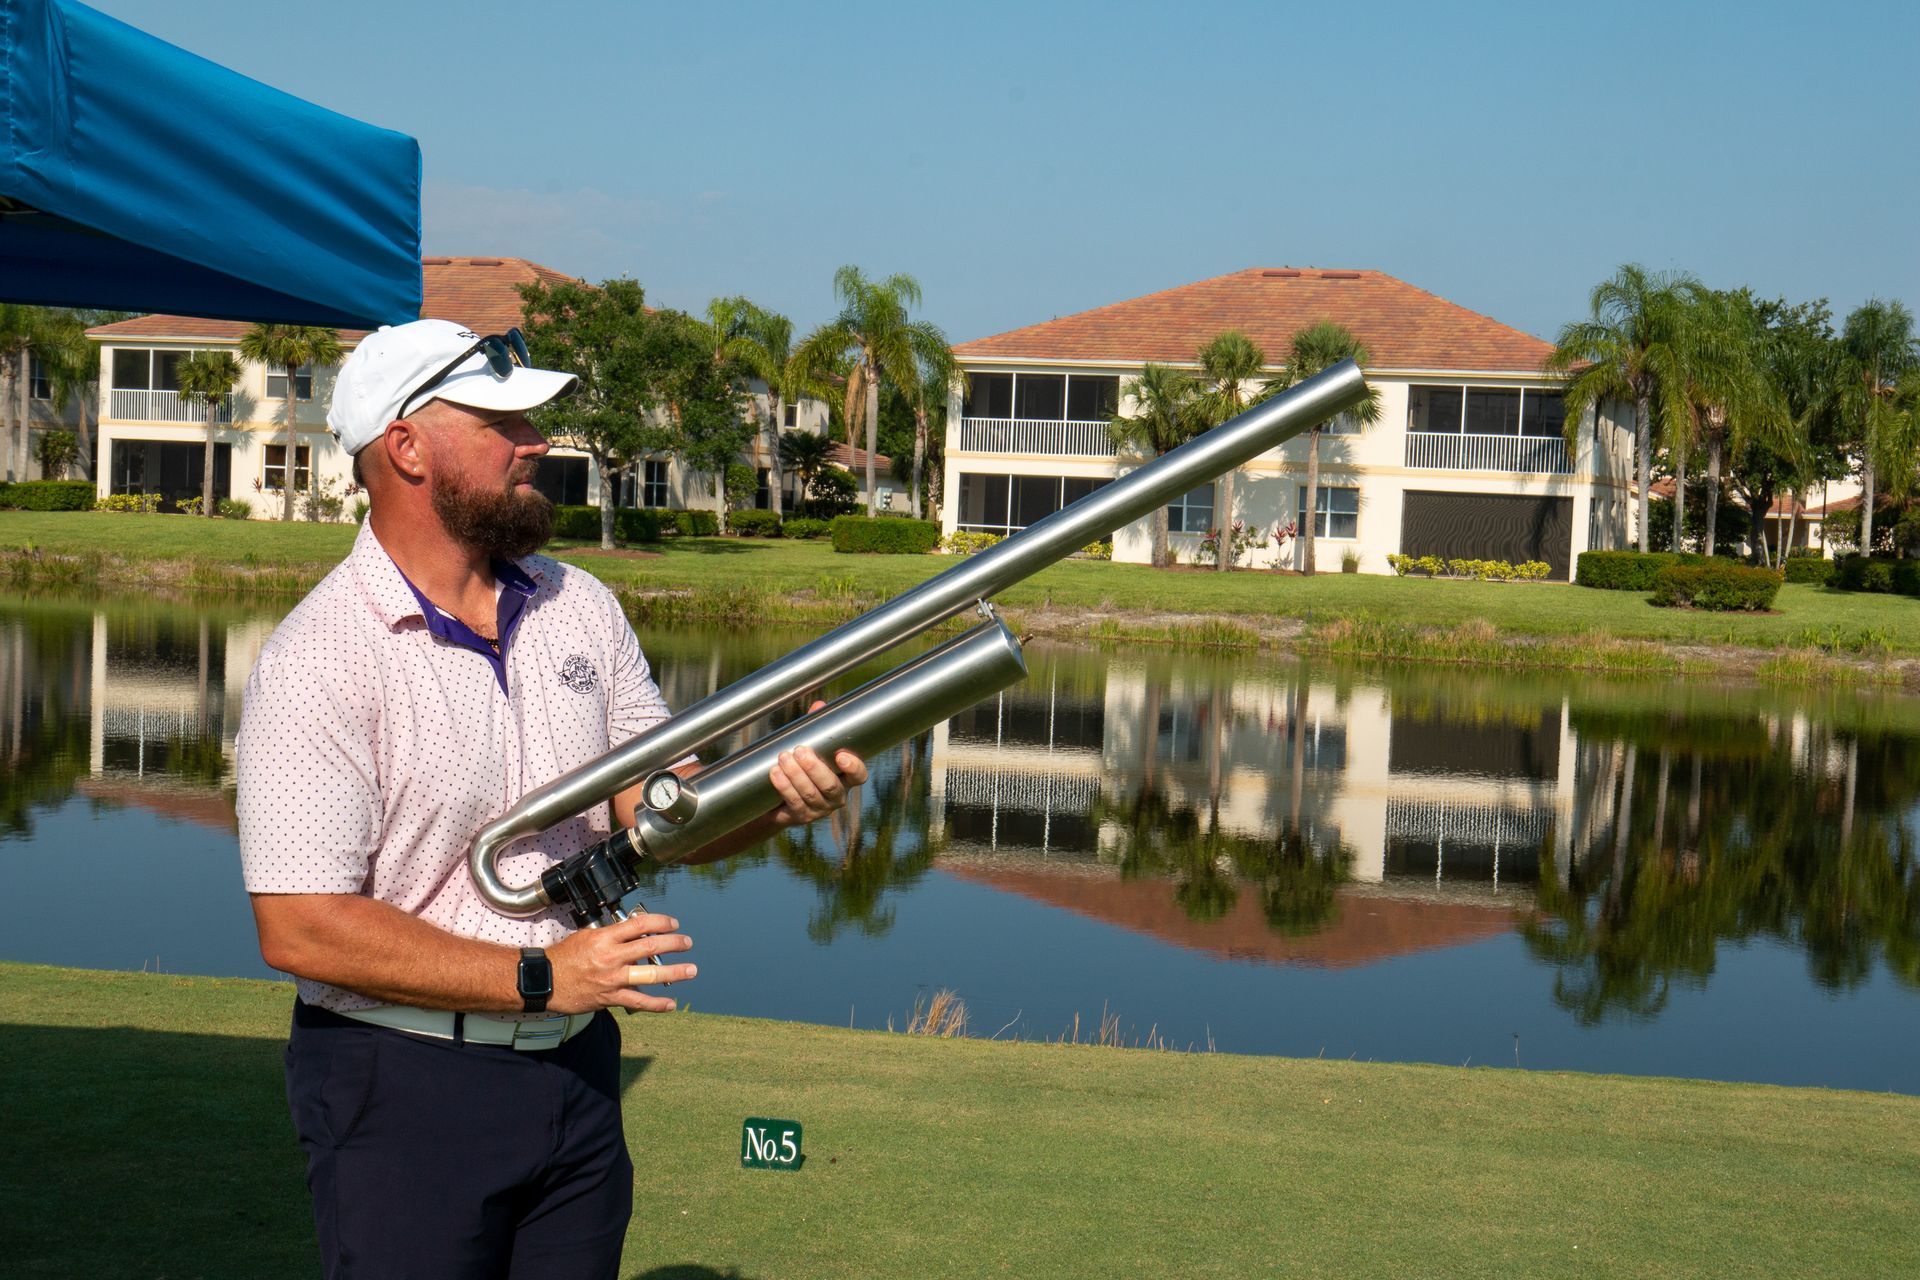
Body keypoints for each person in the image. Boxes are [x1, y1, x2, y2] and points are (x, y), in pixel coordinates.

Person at [236, 318, 866, 1279]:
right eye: (504, 425)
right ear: (406, 448)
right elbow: (302, 927)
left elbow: (659, 810)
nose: (537, 444)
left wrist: (776, 797)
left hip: (576, 1069)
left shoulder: (581, 606)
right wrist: (540, 977)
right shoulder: (317, 657)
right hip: (399, 1078)